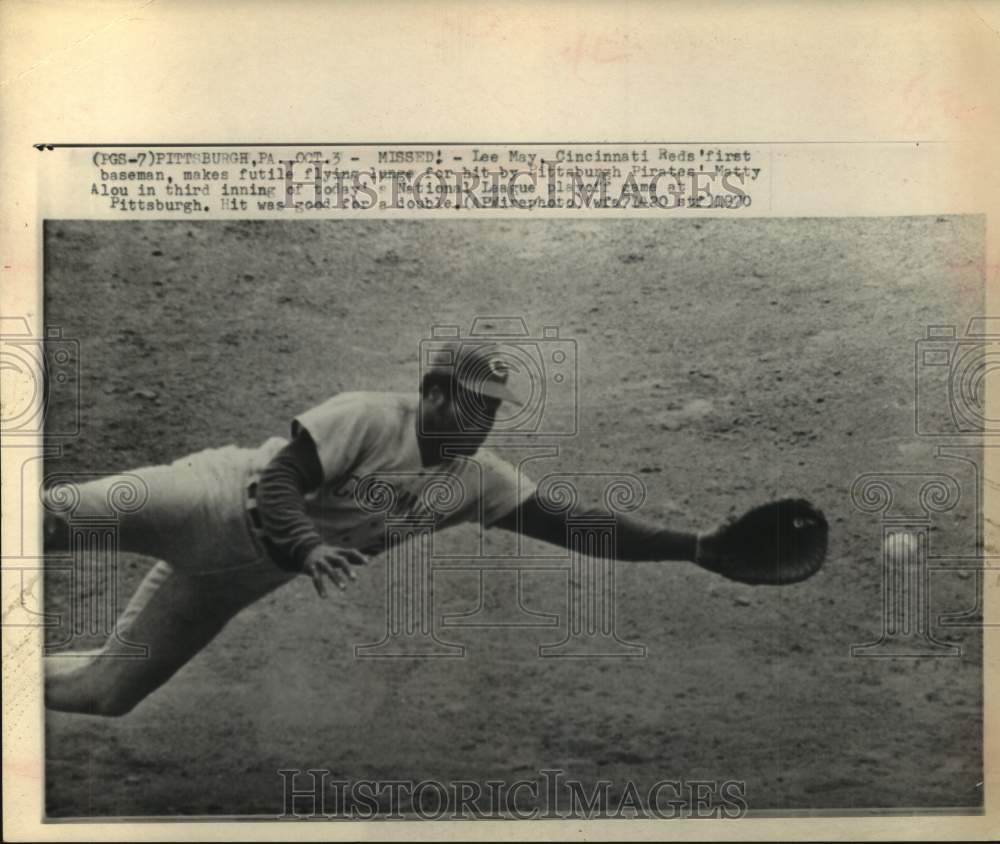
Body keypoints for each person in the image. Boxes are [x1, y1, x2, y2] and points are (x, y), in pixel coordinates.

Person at [44, 344, 816, 717]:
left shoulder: (478, 483)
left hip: (236, 579)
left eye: (490, 412)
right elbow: (280, 477)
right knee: (43, 519)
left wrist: (695, 547)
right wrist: (311, 545)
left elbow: (578, 526)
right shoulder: (372, 416)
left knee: (106, 692)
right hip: (209, 498)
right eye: (467, 404)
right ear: (432, 393)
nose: (478, 423)